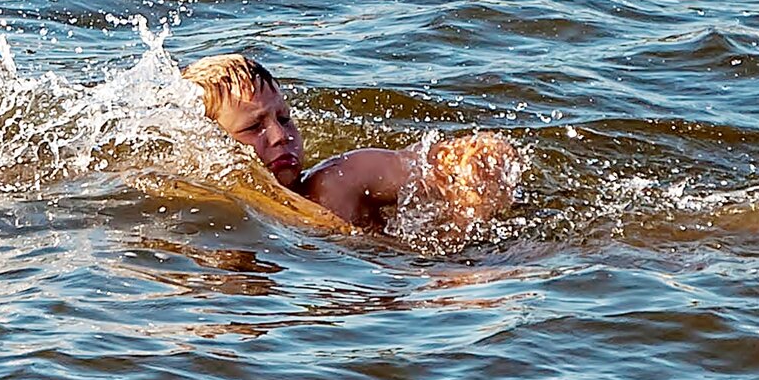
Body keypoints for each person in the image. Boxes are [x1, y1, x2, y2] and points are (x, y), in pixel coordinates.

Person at [181, 54, 519, 231]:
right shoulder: (214, 207)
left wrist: (459, 235)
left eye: (284, 119)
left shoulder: (339, 181)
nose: (281, 136)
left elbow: (488, 152)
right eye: (255, 126)